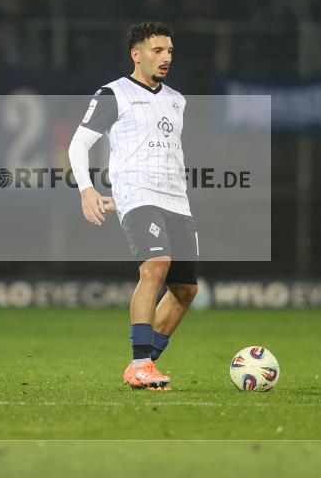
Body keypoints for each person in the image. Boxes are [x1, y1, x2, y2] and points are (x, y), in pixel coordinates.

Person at [68, 22, 199, 391]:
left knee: (186, 290)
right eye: (157, 51)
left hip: (177, 201)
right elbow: (80, 144)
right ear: (136, 54)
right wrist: (87, 189)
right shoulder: (114, 93)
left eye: (170, 51)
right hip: (138, 196)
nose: (166, 58)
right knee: (155, 266)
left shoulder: (176, 99)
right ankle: (140, 364)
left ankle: (143, 364)